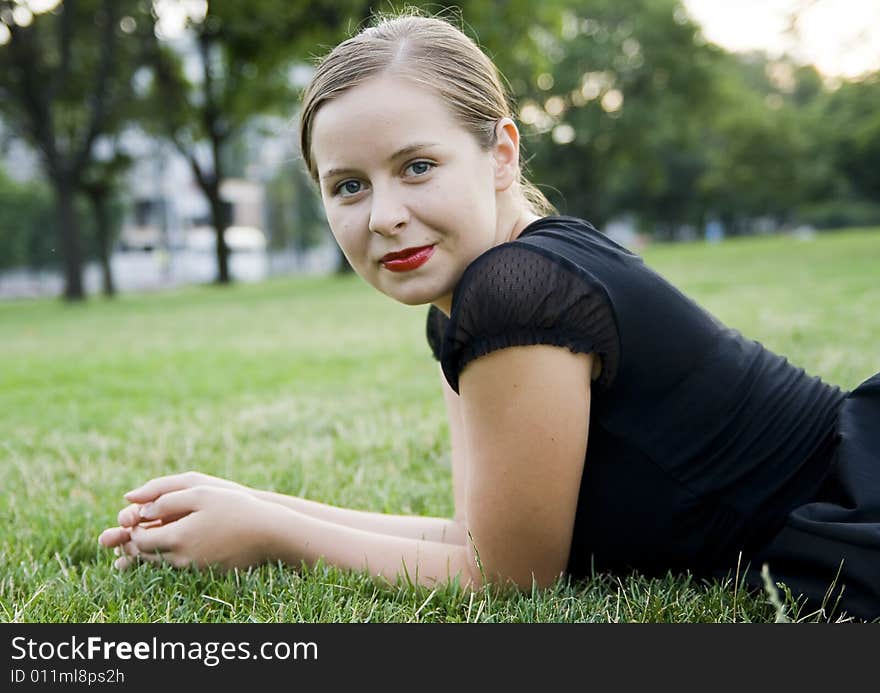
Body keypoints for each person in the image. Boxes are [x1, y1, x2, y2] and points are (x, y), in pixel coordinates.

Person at [99, 12, 880, 622]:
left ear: (501, 154)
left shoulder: (519, 288)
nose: (385, 216)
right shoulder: (468, 307)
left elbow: (505, 582)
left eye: (417, 166)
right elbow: (475, 538)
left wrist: (271, 536)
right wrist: (247, 504)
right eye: (348, 186)